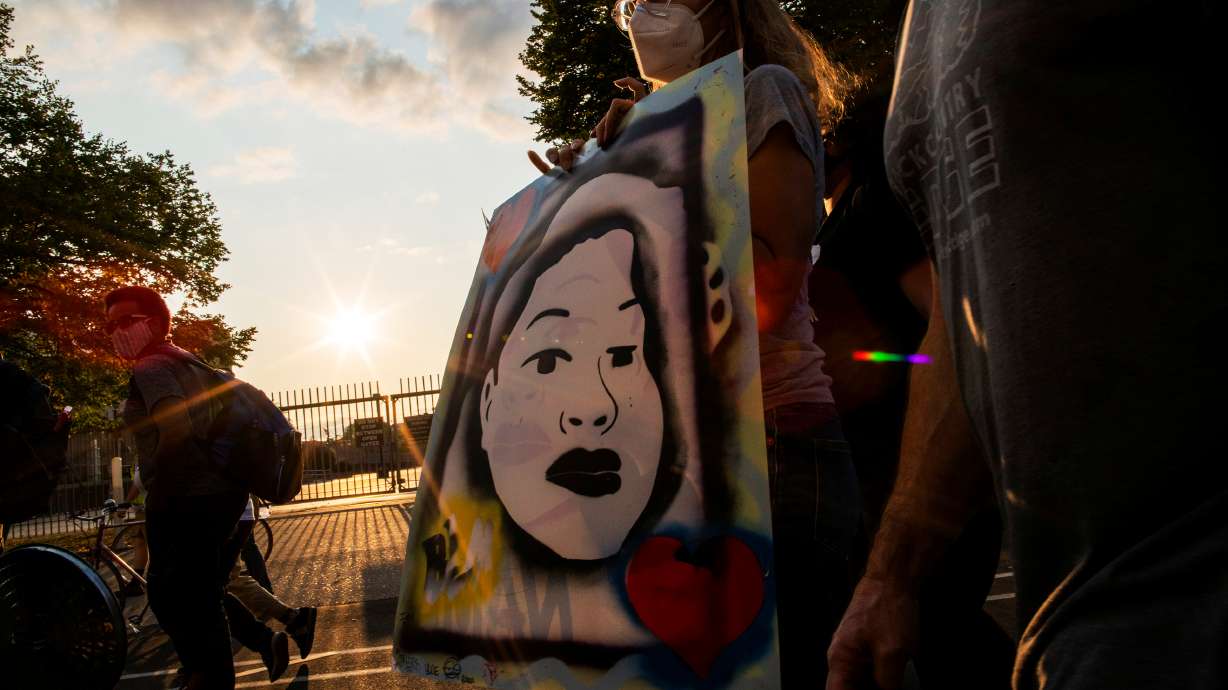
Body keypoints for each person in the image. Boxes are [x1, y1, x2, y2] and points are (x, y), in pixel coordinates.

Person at [826, 2, 1226, 690]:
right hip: (1079, 629)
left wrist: (876, 361)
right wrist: (892, 576)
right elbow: (965, 305)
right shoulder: (929, 23)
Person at [530, 0, 862, 683]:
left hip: (777, 441)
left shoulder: (762, 92)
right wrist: (590, 186)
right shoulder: (648, 132)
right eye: (632, 3)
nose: (641, 15)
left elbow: (770, 272)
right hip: (685, 451)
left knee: (804, 663)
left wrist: (640, 184)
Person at [105, 285, 248, 690]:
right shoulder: (187, 359)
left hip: (185, 496)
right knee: (197, 594)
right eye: (111, 324)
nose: (118, 331)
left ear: (155, 321)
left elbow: (176, 429)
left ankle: (208, 677)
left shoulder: (151, 366)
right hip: (220, 493)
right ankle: (207, 674)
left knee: (171, 596)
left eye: (127, 321)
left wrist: (160, 486)